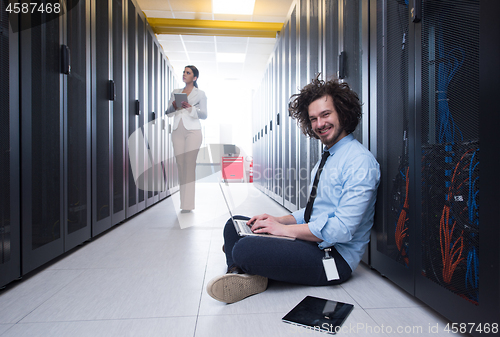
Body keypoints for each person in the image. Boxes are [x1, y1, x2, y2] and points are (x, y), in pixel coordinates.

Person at [206, 76, 380, 304]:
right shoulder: (326, 159)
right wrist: (277, 219)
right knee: (235, 224)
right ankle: (242, 274)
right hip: (312, 242)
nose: (319, 124)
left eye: (326, 115)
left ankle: (243, 264)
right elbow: (312, 212)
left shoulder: (360, 162)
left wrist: (283, 231)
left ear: (343, 113)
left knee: (244, 247)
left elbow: (342, 230)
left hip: (333, 258)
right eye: (313, 119)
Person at [166, 65, 207, 212]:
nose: (184, 74)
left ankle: (187, 205)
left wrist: (190, 108)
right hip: (177, 130)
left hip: (193, 131)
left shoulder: (200, 94)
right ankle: (183, 202)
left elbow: (204, 115)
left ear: (194, 77)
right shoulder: (175, 92)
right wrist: (174, 106)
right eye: (184, 72)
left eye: (188, 73)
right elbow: (168, 112)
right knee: (181, 165)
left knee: (189, 165)